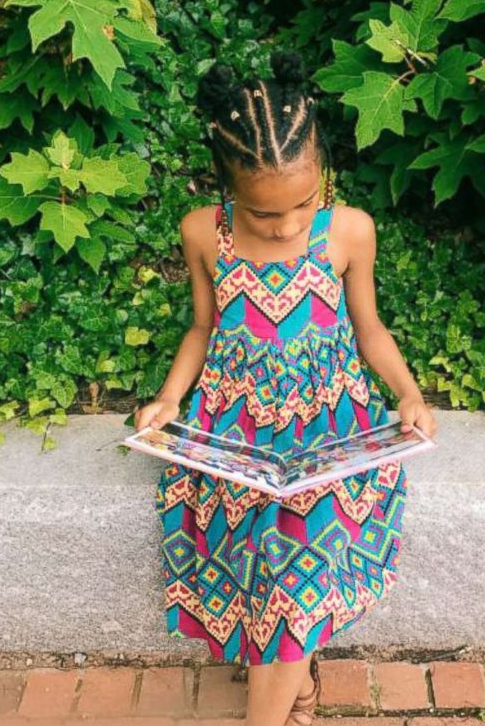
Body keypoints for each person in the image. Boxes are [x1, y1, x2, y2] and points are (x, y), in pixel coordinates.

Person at [135, 49, 437, 726]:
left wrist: (408, 394)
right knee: (261, 563)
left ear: (323, 171)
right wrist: (170, 398)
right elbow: (201, 330)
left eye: (305, 201)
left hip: (331, 429)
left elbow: (371, 331)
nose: (289, 224)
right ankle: (295, 687)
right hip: (235, 431)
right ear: (225, 188)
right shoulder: (204, 234)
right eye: (265, 215)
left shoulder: (348, 232)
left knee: (297, 565)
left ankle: (268, 711)